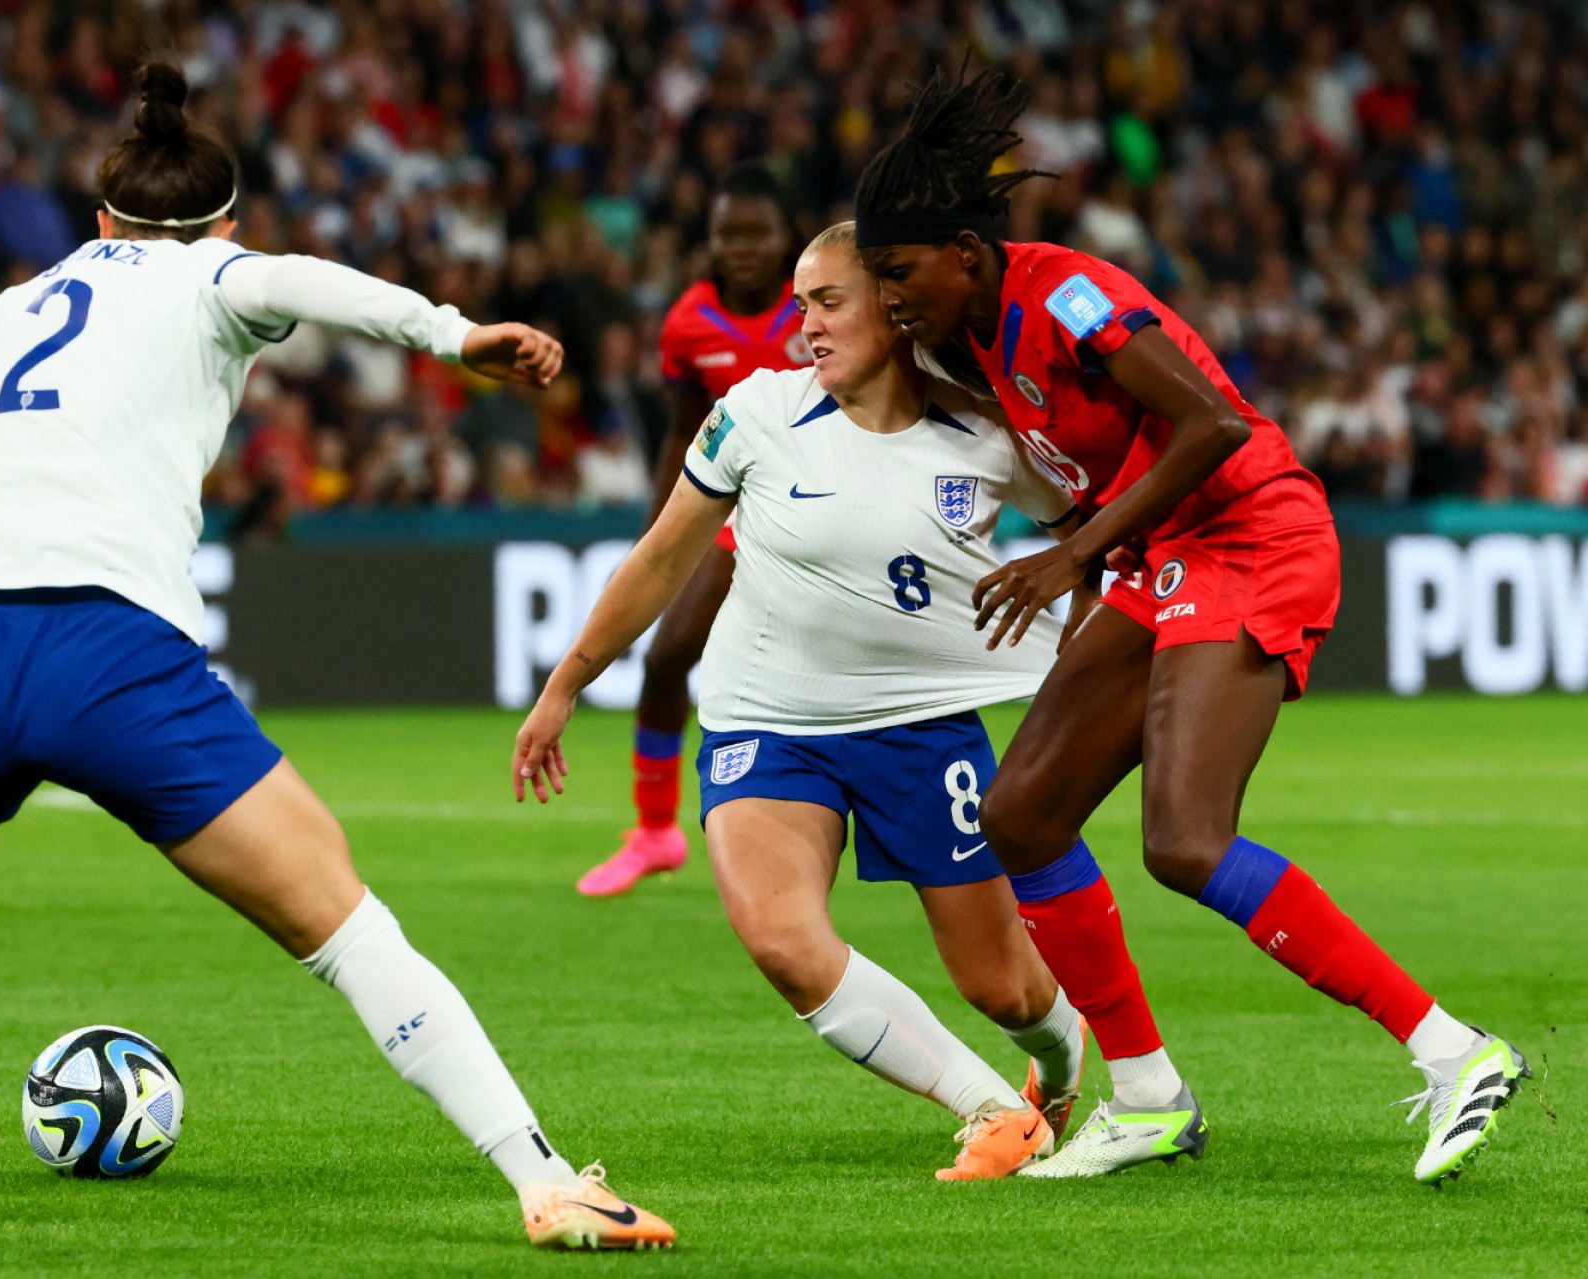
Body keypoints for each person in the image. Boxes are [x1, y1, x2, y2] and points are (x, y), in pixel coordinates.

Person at [0, 64, 673, 1251]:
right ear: (223, 221)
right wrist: (456, 333)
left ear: (100, 220)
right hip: (113, 657)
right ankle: (544, 1180)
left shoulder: (12, 308)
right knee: (347, 925)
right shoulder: (223, 275)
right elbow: (311, 282)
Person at [852, 65, 1522, 1183]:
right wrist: (1084, 582)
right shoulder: (963, 346)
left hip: (1254, 532)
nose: (889, 296)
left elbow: (1211, 423)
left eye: (898, 271)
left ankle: (1455, 1049)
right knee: (1020, 815)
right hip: (1157, 557)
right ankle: (1150, 1097)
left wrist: (1072, 553)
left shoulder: (1067, 298)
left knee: (1185, 840)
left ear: (966, 253)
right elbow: (1087, 481)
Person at [514, 224, 1090, 1181]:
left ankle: (1058, 1062)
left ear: (894, 310)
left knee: (1004, 985)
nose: (804, 324)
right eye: (801, 302)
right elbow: (663, 554)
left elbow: (1091, 544)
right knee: (782, 939)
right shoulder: (757, 411)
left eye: (828, 301)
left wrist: (1087, 672)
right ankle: (990, 1107)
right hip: (766, 719)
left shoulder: (988, 435)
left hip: (921, 726)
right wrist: (568, 679)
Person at [578, 163, 812, 897]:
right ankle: (654, 831)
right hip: (739, 513)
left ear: (786, 240)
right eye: (727, 234)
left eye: (757, 233)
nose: (741, 248)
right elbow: (681, 435)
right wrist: (659, 536)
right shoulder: (687, 323)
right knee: (665, 655)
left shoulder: (821, 306)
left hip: (830, 510)